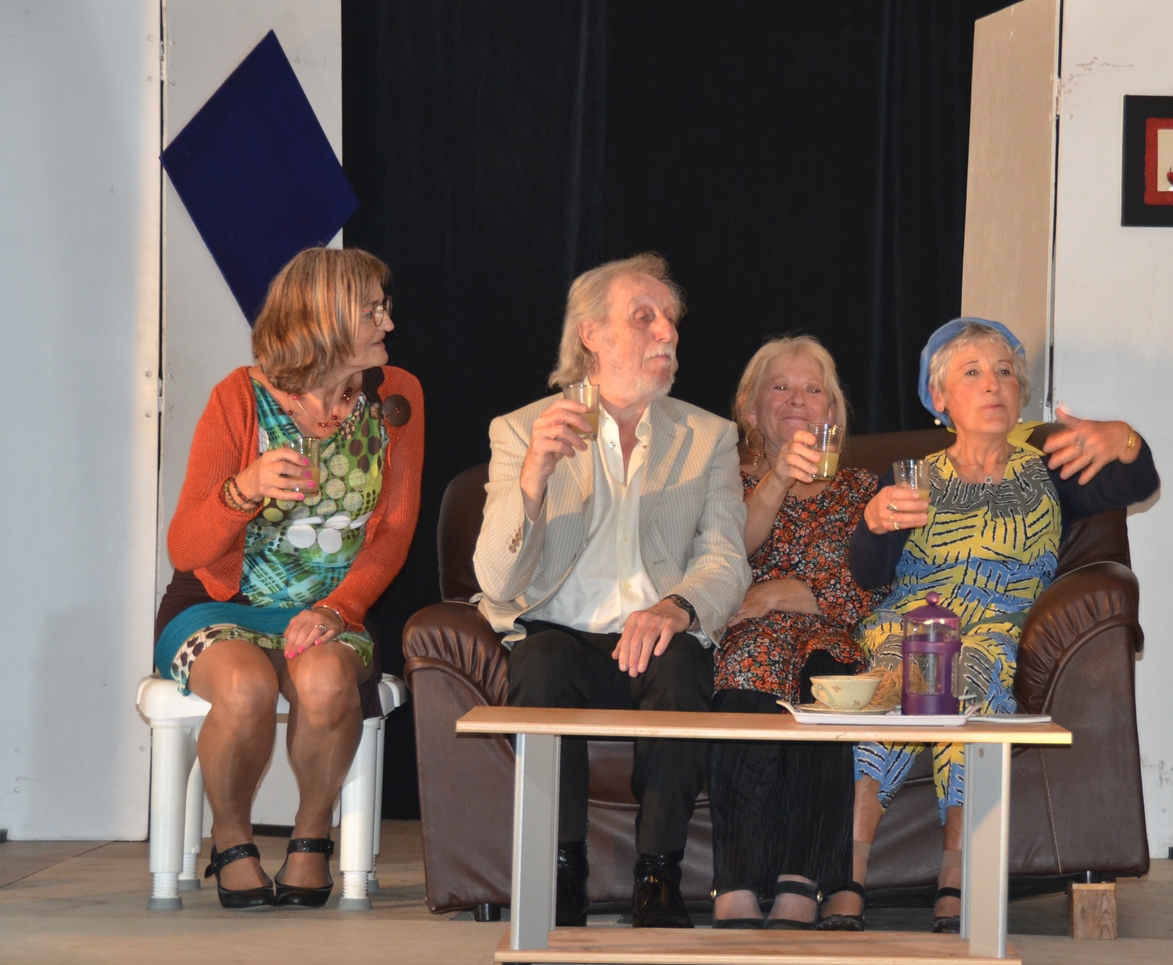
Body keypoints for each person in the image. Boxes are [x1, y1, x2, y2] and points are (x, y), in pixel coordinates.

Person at [819, 317, 1159, 931]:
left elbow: (1138, 481)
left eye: (1004, 372)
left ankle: (953, 879)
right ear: (940, 397)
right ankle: (851, 873)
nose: (992, 384)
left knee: (964, 669)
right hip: (911, 624)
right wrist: (872, 522)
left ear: (1020, 392)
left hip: (999, 629)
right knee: (901, 678)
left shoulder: (1051, 470)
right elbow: (869, 575)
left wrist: (1123, 437)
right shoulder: (911, 474)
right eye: (972, 373)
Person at [474, 252, 748, 930]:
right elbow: (495, 580)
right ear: (591, 333)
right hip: (561, 631)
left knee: (683, 665)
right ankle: (560, 867)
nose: (667, 332)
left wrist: (677, 606)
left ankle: (658, 874)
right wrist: (533, 477)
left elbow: (725, 557)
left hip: (656, 630)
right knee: (539, 663)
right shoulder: (523, 429)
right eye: (644, 317)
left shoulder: (708, 436)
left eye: (671, 320)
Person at [154, 247, 423, 910]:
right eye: (372, 311)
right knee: (244, 687)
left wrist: (339, 607)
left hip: (329, 609)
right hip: (221, 603)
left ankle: (311, 836)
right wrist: (242, 490)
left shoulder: (397, 396)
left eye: (385, 308)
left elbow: (392, 534)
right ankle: (231, 838)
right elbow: (184, 546)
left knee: (327, 682)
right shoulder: (237, 397)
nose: (388, 323)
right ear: (324, 319)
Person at [705, 336, 882, 930]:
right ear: (751, 409)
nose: (798, 400)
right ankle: (734, 880)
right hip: (747, 638)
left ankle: (801, 883)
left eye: (813, 389)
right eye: (780, 387)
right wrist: (776, 479)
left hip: (830, 635)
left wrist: (784, 593)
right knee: (747, 685)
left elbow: (869, 585)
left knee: (827, 684)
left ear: (832, 411)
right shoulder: (724, 481)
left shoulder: (861, 489)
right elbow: (726, 556)